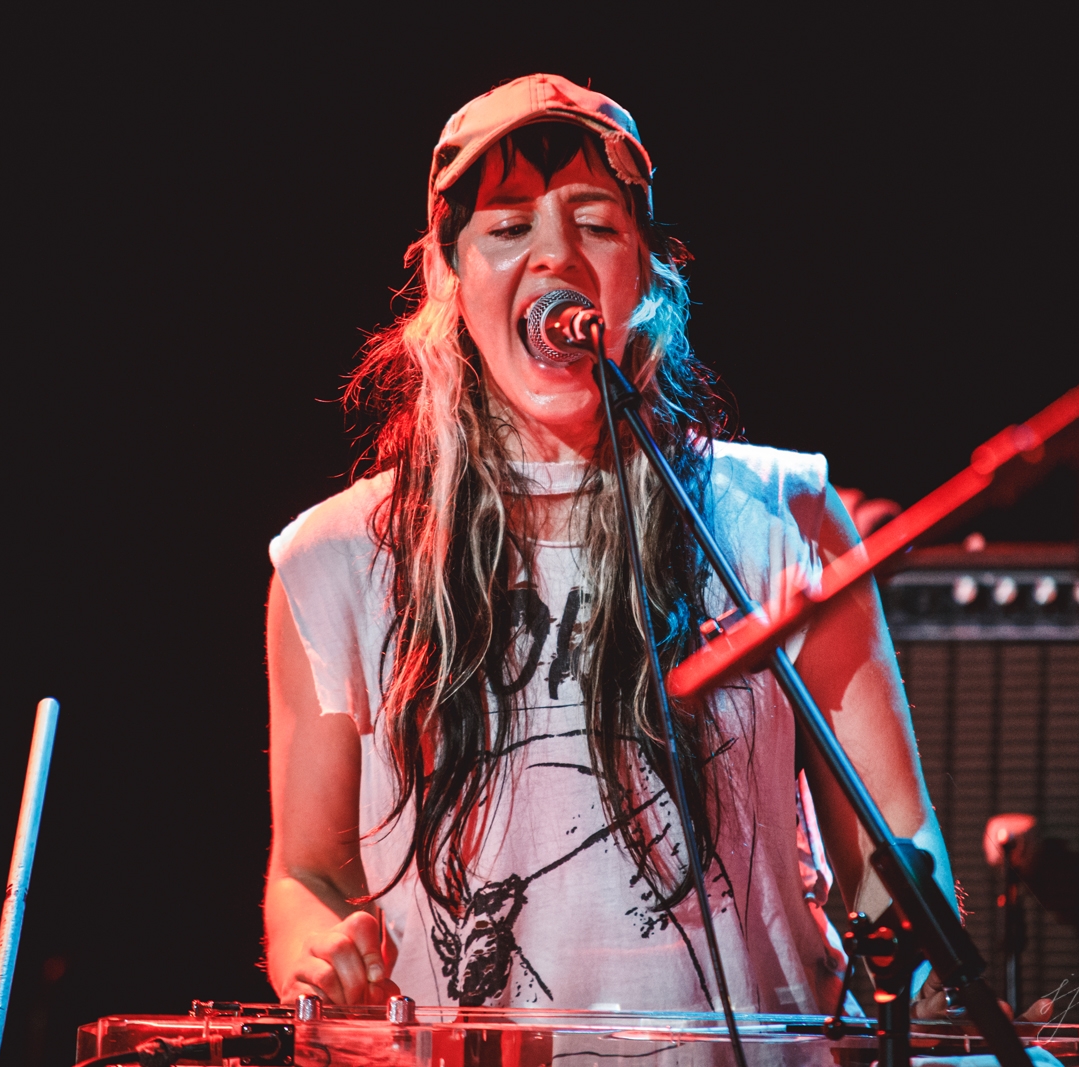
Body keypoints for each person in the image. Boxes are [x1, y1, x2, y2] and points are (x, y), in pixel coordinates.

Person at [262, 74, 957, 1014]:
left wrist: (916, 964)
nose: (557, 254)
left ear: (645, 271)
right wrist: (316, 948)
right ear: (449, 277)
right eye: (510, 227)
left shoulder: (780, 515)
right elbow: (306, 874)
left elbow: (894, 849)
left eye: (594, 223)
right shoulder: (338, 557)